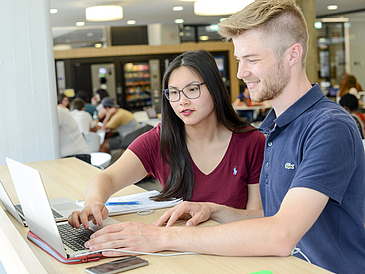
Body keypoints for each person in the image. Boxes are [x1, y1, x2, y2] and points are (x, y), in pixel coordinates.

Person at [70, 1, 365, 273]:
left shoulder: (329, 127)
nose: (240, 73)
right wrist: (214, 210)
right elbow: (269, 220)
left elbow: (280, 235)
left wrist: (161, 237)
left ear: (293, 55)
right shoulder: (274, 129)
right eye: (239, 60)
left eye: (251, 60)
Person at [68, 49, 265, 225]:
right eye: (173, 93)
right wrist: (94, 202)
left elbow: (259, 217)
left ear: (215, 88)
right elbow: (108, 177)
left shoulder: (252, 143)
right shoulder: (159, 140)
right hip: (173, 251)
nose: (182, 101)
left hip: (232, 254)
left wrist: (214, 212)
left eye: (192, 89)